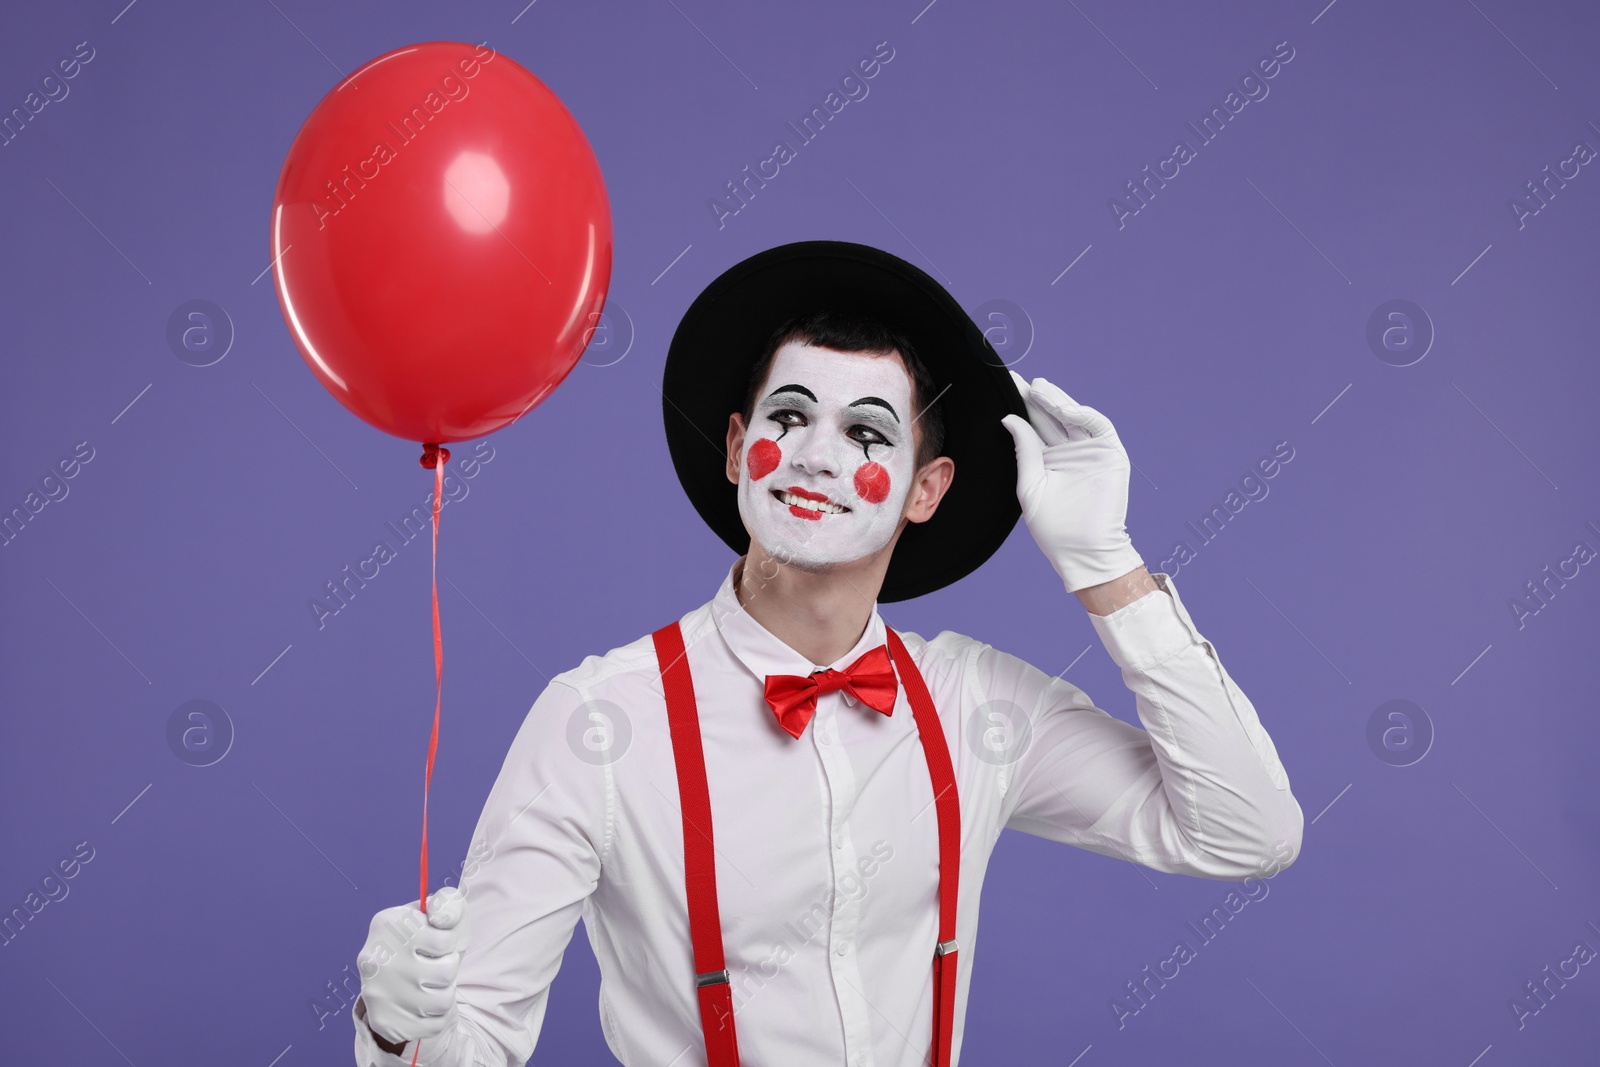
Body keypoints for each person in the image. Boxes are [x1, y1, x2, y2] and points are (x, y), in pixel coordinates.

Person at [350, 241, 1303, 1067]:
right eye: (789, 417)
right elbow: (471, 1037)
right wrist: (398, 1028)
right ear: (736, 448)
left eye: (866, 432)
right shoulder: (598, 719)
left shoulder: (975, 706)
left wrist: (1106, 561)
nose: (814, 455)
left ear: (925, 490)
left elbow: (1246, 830)